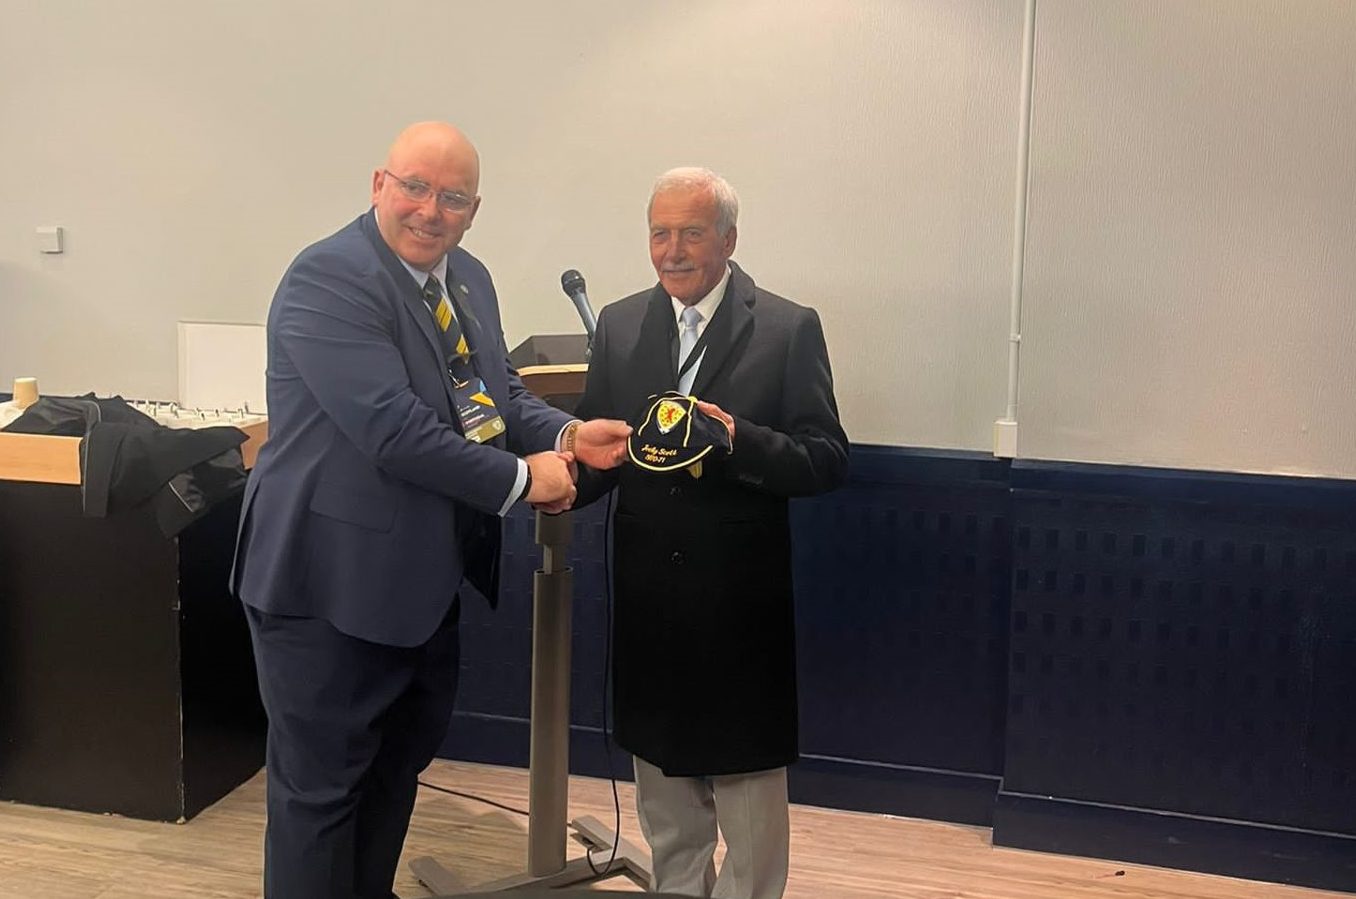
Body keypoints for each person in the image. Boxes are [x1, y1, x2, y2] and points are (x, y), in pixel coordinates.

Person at [231, 121, 630, 899]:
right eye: (414, 187)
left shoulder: (468, 277)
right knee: (320, 797)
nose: (429, 210)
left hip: (421, 587)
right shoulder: (329, 277)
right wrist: (523, 480)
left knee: (390, 776)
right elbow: (393, 429)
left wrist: (570, 431)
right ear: (379, 184)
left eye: (452, 197)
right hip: (324, 589)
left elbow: (495, 393)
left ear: (474, 210)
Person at [574, 167, 849, 899]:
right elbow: (604, 449)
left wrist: (742, 441)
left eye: (691, 232)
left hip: (737, 603)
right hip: (647, 598)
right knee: (664, 795)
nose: (672, 250)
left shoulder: (789, 327)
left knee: (747, 793)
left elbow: (826, 460)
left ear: (728, 237)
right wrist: (549, 480)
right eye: (659, 232)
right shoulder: (621, 322)